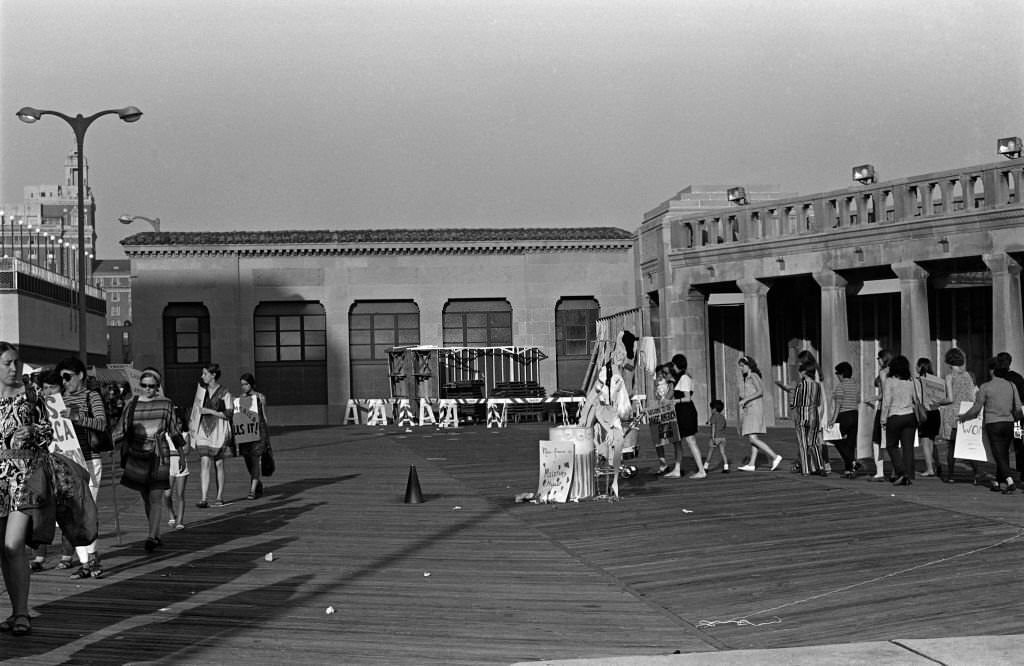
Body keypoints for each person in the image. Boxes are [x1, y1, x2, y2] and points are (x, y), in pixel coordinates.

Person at [0, 342, 50, 636]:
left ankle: (21, 613)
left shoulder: (31, 396)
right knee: (2, 550)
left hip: (23, 477)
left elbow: (49, 432)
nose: (13, 368)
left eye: (16, 362)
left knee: (13, 545)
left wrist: (33, 431)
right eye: (7, 363)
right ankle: (16, 611)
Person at [114, 367, 182, 552]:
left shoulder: (166, 404)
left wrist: (182, 454)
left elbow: (174, 430)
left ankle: (151, 537)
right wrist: (109, 443)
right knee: (146, 496)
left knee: (155, 496)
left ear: (157, 387)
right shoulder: (131, 403)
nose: (147, 389)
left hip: (160, 454)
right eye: (144, 385)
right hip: (137, 455)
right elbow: (121, 428)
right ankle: (156, 532)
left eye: (151, 386)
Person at [54, 356, 108, 579]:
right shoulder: (58, 399)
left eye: (68, 377)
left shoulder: (91, 396)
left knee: (86, 510)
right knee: (70, 514)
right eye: (61, 378)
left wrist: (76, 416)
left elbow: (102, 423)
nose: (65, 382)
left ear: (81, 376)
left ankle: (92, 559)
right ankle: (87, 562)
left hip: (88, 458)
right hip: (67, 461)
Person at [959, 355, 1024, 494]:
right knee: (1004, 453)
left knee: (997, 454)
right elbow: (1018, 407)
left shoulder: (985, 387)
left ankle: (1009, 480)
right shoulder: (1012, 385)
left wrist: (964, 417)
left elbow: (977, 408)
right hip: (1009, 423)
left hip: (993, 423)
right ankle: (1000, 481)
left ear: (992, 371)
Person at [191, 363, 233, 508]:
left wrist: (209, 411)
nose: (203, 376)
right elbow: (196, 410)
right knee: (204, 461)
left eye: (205, 373)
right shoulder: (201, 392)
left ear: (213, 375)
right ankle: (203, 497)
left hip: (219, 428)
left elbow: (229, 413)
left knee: (219, 463)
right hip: (203, 428)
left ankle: (219, 495)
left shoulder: (224, 392)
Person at [937, 347, 979, 484]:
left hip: (952, 413)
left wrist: (937, 402)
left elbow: (949, 398)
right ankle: (977, 473)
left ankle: (950, 475)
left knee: (952, 446)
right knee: (966, 445)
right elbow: (973, 397)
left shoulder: (950, 377)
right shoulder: (968, 376)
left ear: (949, 361)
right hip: (966, 412)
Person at [735, 355, 783, 472]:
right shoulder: (747, 378)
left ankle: (775, 456)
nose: (741, 369)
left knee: (752, 438)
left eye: (742, 366)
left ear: (748, 365)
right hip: (750, 409)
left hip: (754, 409)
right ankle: (751, 464)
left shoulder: (754, 376)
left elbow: (760, 391)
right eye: (740, 367)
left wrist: (746, 400)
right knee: (753, 437)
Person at [663, 354, 705, 479]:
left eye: (673, 364)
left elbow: (687, 398)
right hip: (679, 412)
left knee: (691, 441)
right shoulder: (679, 378)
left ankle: (702, 470)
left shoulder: (685, 378)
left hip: (686, 411)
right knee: (677, 441)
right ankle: (677, 469)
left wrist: (675, 401)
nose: (672, 367)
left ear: (677, 365)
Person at [881, 355, 917, 486]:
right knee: (908, 447)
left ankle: (901, 472)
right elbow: (915, 398)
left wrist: (883, 418)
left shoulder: (890, 381)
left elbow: (886, 401)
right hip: (910, 415)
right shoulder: (910, 381)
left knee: (891, 445)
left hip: (895, 415)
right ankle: (908, 474)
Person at [235, 373, 269, 500]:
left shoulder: (260, 397)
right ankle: (257, 482)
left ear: (252, 384)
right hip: (246, 434)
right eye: (242, 384)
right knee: (248, 461)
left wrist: (266, 435)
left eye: (246, 384)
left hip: (258, 432)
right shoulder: (240, 399)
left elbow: (264, 416)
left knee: (255, 460)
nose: (244, 387)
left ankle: (252, 490)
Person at [828, 362, 860, 478]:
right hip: (855, 415)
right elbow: (858, 399)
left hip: (844, 415)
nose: (836, 375)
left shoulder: (840, 386)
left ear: (841, 374)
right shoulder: (855, 385)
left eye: (837, 373)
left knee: (834, 437)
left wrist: (832, 419)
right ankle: (849, 470)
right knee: (850, 443)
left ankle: (852, 461)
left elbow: (838, 405)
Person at [866, 349, 894, 481]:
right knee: (893, 442)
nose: (877, 360)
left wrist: (873, 398)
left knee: (877, 441)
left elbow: (885, 394)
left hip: (883, 409)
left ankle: (879, 472)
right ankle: (896, 470)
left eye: (878, 358)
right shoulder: (897, 372)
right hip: (896, 409)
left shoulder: (883, 372)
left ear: (883, 359)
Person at [915, 358, 945, 477]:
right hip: (936, 412)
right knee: (932, 441)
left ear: (919, 367)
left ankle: (929, 469)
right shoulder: (937, 381)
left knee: (925, 442)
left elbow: (917, 398)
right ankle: (937, 464)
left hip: (925, 412)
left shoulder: (918, 381)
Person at [164, 406, 190, 530]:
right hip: (169, 466)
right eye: (175, 423)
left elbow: (187, 450)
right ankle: (171, 514)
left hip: (181, 465)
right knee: (167, 494)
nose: (177, 426)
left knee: (180, 494)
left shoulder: (185, 434)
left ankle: (180, 520)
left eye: (179, 423)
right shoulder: (166, 435)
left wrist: (173, 452)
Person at [649, 364, 676, 475]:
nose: (660, 376)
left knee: (674, 439)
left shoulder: (670, 382)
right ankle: (663, 464)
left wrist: (664, 400)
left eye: (662, 374)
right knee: (657, 440)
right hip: (657, 411)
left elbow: (671, 393)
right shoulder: (655, 382)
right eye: (658, 374)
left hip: (668, 411)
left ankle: (677, 464)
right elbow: (654, 396)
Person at [702, 399, 729, 473]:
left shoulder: (713, 416)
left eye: (711, 408)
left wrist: (713, 438)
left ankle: (705, 467)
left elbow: (713, 426)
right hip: (723, 438)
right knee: (723, 452)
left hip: (716, 437)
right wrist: (709, 421)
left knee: (710, 452)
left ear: (714, 409)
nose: (711, 410)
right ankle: (726, 467)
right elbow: (723, 426)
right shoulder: (723, 417)